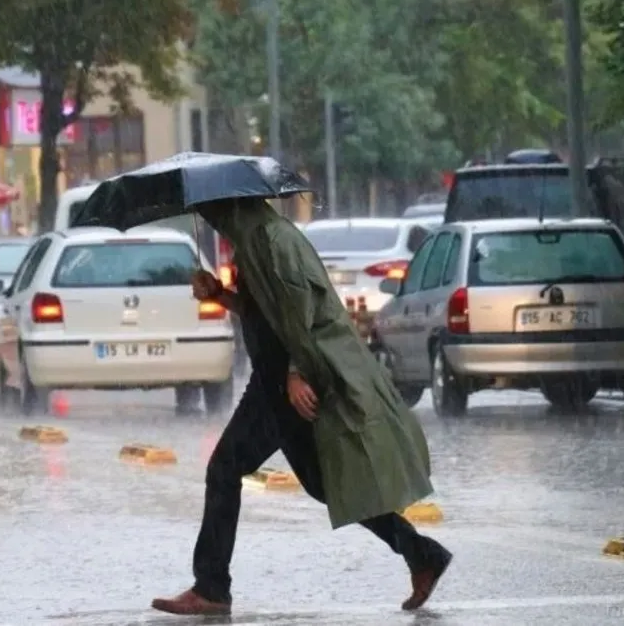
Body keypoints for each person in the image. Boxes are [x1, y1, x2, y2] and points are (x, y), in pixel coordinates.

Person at [151, 197, 452, 616]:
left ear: (231, 208)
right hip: (273, 379)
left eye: (212, 213)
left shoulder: (273, 242)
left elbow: (302, 312)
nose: (211, 222)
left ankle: (212, 586)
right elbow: (263, 313)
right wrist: (221, 295)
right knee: (324, 483)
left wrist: (297, 373)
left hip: (283, 380)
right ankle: (421, 554)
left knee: (224, 468)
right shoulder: (255, 241)